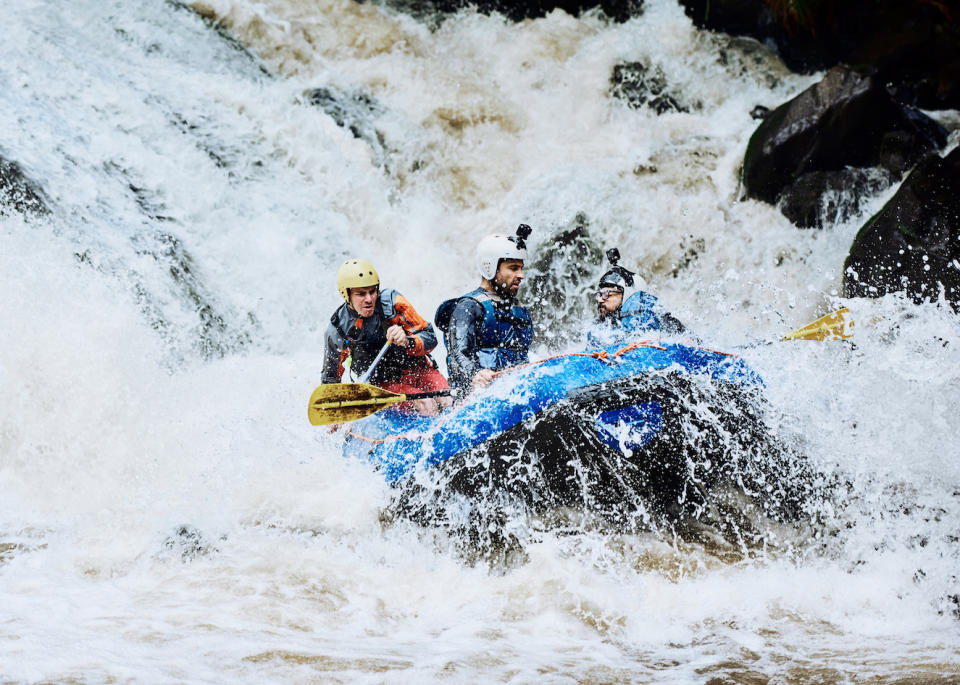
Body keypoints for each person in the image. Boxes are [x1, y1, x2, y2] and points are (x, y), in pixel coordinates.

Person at [322, 258, 449, 414]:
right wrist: (333, 412)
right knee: (427, 405)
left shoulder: (394, 304)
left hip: (418, 370)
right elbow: (331, 377)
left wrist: (407, 341)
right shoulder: (339, 328)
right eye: (361, 294)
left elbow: (430, 338)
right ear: (347, 295)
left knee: (448, 399)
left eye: (372, 291)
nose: (369, 299)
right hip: (384, 386)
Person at [435, 224, 534, 395]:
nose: (521, 275)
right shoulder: (468, 306)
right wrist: (476, 373)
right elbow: (458, 355)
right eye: (513, 268)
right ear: (490, 267)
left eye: (521, 268)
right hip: (476, 399)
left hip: (514, 393)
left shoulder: (518, 309)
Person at [588, 248, 687, 346]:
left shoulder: (653, 317)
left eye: (606, 293)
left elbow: (686, 339)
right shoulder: (601, 329)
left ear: (627, 294)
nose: (600, 299)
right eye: (600, 294)